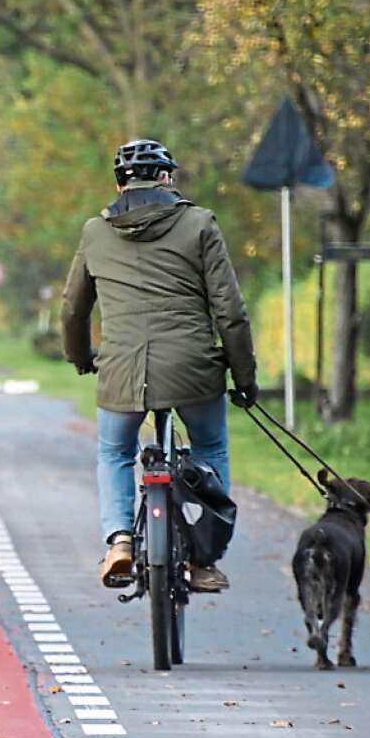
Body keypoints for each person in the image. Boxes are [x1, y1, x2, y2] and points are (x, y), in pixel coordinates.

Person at [60, 139, 258, 592]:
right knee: (209, 449)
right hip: (194, 369)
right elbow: (230, 311)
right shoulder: (199, 223)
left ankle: (120, 542)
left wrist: (80, 358)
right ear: (167, 177)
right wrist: (244, 377)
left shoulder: (95, 232)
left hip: (122, 371)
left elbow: (73, 311)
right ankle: (204, 558)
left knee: (115, 452)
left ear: (119, 184)